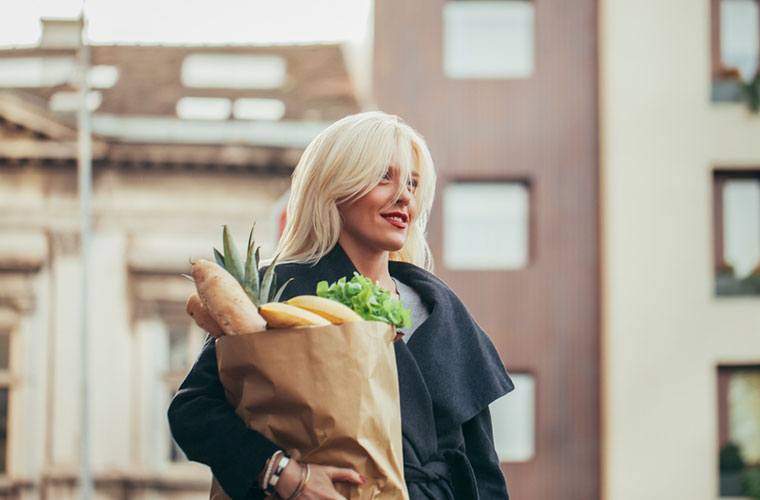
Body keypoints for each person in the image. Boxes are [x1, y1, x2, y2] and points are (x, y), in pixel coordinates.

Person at [168, 111, 514, 499]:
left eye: (413, 184)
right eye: (384, 177)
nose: (404, 196)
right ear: (335, 185)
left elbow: (484, 470)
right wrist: (286, 474)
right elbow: (193, 411)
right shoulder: (279, 292)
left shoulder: (443, 310)